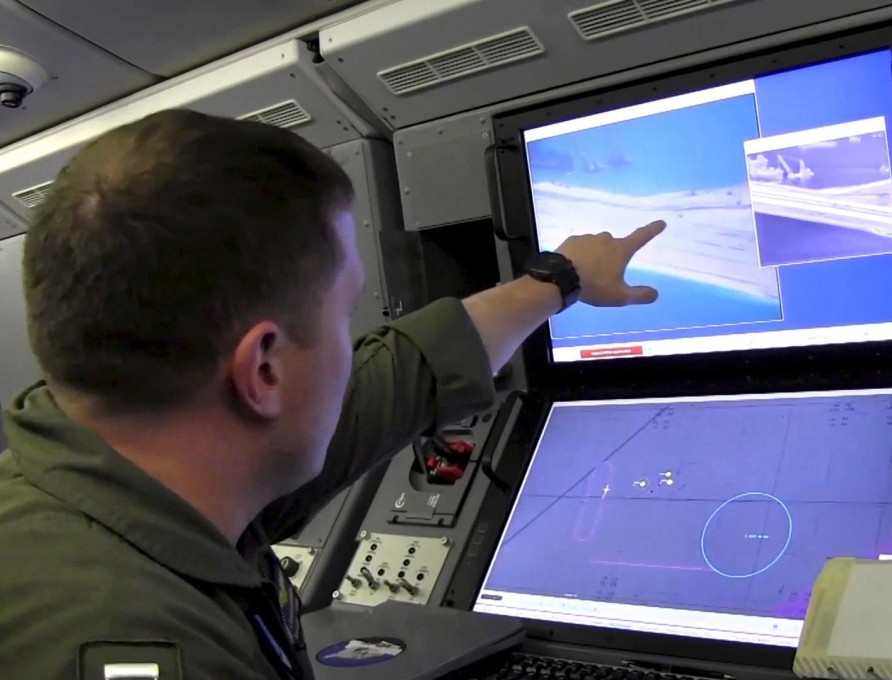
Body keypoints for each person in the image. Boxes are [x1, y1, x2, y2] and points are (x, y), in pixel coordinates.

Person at [0, 109, 665, 680]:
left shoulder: (136, 460)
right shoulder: (132, 639)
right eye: (344, 317)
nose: (351, 352)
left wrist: (558, 280)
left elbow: (405, 375)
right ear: (263, 371)